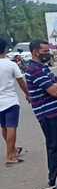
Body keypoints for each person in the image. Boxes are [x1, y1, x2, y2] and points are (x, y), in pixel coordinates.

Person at [24, 39, 57, 186]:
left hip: (54, 112)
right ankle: (55, 181)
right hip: (48, 114)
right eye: (45, 51)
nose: (48, 53)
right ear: (36, 52)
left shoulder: (43, 68)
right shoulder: (35, 70)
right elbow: (56, 91)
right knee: (56, 148)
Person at [0, 37, 29, 165]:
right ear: (5, 49)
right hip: (10, 101)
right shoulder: (11, 64)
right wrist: (28, 94)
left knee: (4, 127)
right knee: (11, 127)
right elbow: (21, 82)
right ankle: (10, 156)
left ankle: (12, 149)